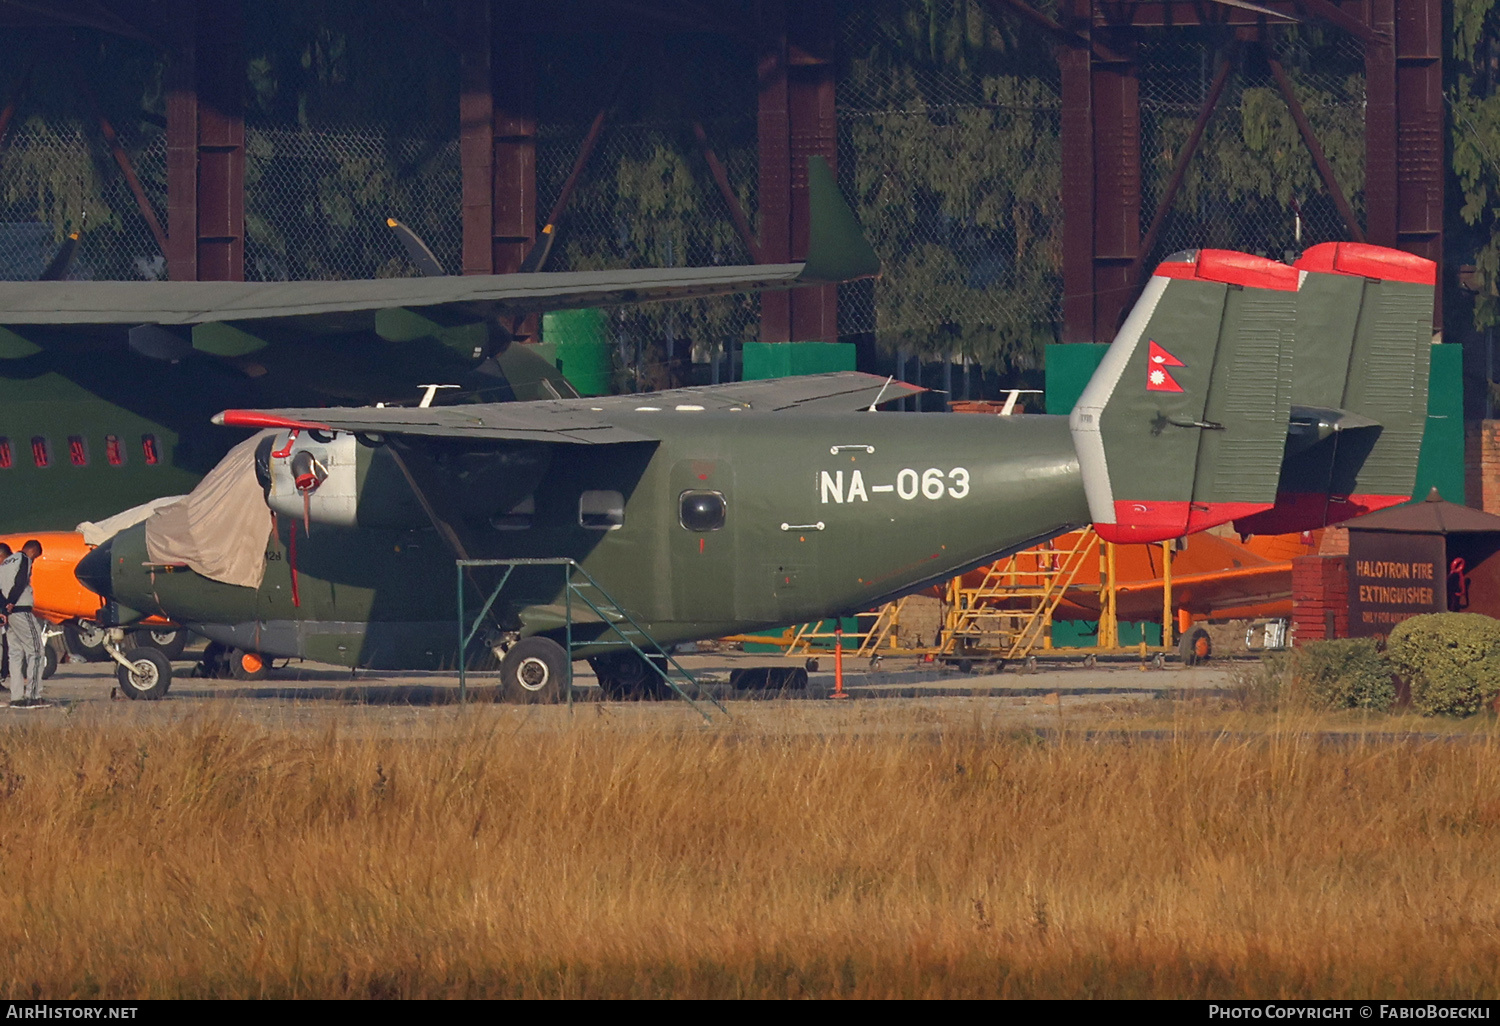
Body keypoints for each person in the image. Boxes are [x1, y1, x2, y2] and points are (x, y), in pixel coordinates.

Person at [0, 540, 49, 708]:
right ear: (33, 551)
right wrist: (12, 601)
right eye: (35, 557)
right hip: (20, 610)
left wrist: (4, 609)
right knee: (36, 651)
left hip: (9, 614)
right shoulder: (24, 559)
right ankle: (33, 695)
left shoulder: (6, 562)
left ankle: (17, 696)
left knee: (15, 653)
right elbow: (21, 580)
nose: (34, 561)